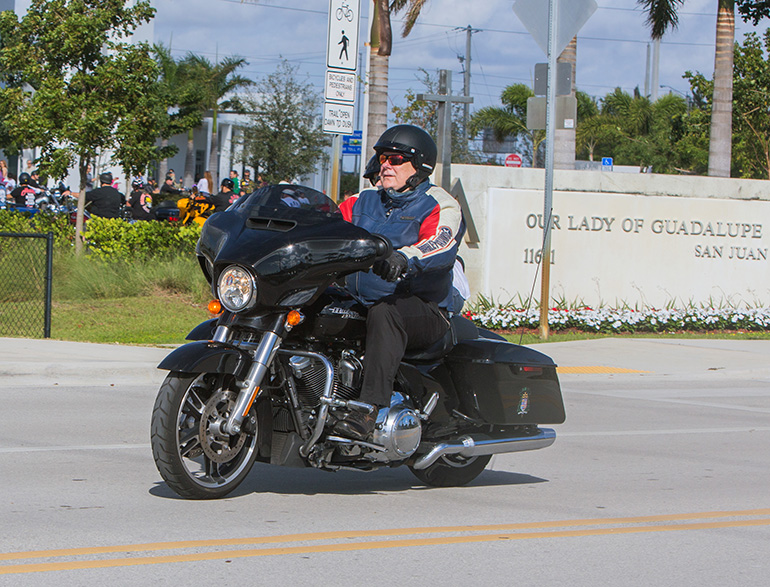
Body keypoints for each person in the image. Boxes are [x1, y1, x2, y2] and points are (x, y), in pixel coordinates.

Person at [334, 124, 464, 440]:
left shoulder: (439, 203)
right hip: (361, 302)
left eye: (396, 159)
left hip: (424, 309)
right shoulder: (362, 201)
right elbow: (327, 227)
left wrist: (404, 259)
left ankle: (367, 411)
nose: (386, 165)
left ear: (419, 167)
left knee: (385, 312)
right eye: (383, 159)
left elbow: (440, 242)